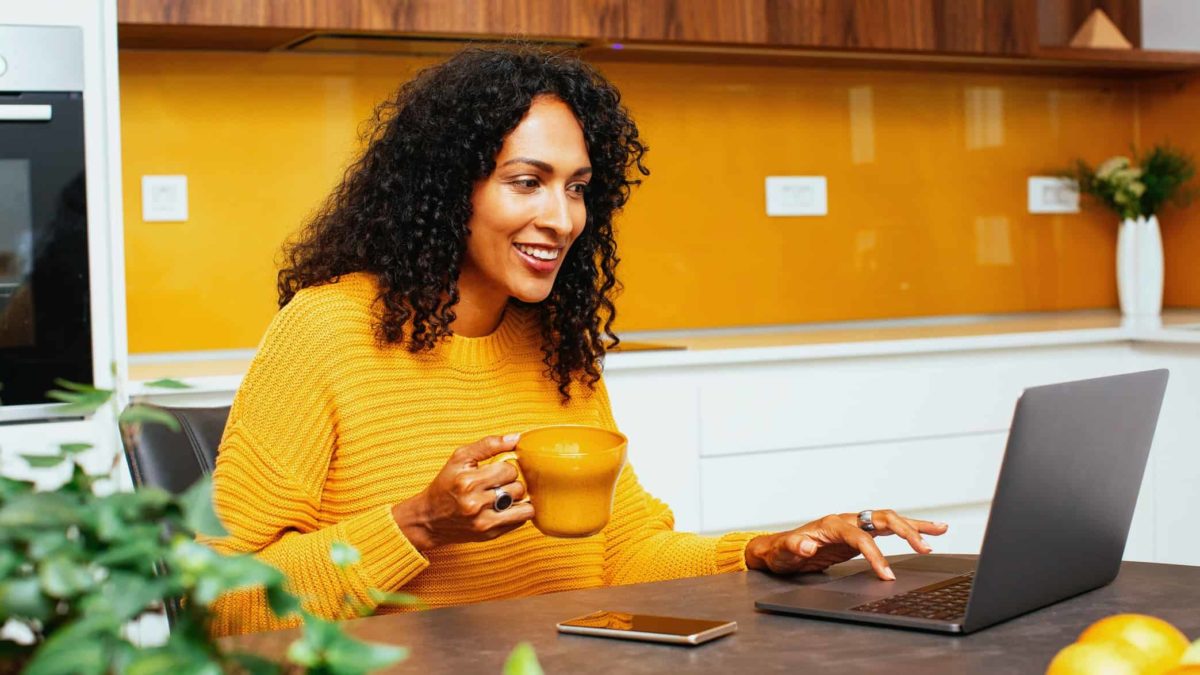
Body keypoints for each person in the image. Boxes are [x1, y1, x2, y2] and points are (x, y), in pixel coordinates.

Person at [206, 45, 947, 637]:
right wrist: (418, 523)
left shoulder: (554, 342)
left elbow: (623, 552)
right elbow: (220, 605)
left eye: (578, 187)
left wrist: (770, 550)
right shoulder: (325, 329)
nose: (562, 218)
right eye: (527, 181)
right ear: (443, 189)